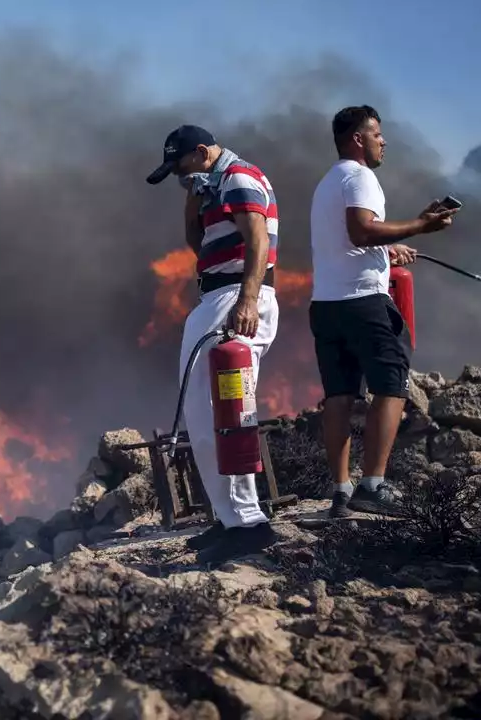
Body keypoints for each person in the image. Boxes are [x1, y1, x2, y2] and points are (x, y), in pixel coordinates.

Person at [307, 105, 458, 518]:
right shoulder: (360, 177)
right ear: (358, 139)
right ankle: (373, 485)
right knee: (392, 385)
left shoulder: (327, 183)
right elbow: (360, 229)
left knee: (338, 396)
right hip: (363, 304)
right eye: (377, 134)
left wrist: (388, 249)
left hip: (326, 305)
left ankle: (341, 492)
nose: (383, 141)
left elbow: (346, 240)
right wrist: (420, 225)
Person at [145, 124, 281, 564]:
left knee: (226, 412)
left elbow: (258, 240)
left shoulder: (238, 177)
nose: (180, 179)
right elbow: (197, 243)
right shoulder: (213, 185)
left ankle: (249, 522)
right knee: (202, 413)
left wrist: (247, 298)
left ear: (202, 153)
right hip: (216, 296)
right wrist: (194, 198)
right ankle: (228, 517)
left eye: (182, 169)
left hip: (235, 296)